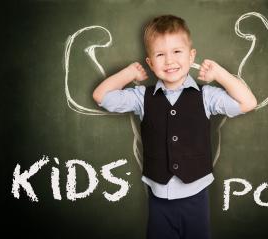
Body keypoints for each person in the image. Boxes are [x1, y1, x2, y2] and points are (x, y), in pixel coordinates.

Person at [93, 14, 257, 239]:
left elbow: (248, 103)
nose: (169, 61)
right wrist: (128, 74)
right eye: (160, 54)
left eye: (177, 52)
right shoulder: (143, 97)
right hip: (159, 198)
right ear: (150, 63)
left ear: (191, 57)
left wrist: (220, 74)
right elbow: (102, 97)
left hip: (196, 196)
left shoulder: (206, 96)